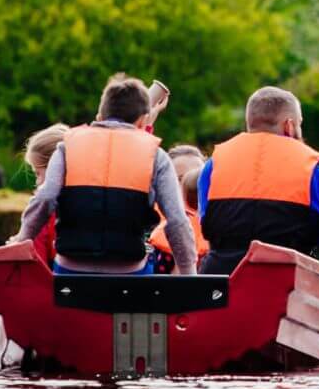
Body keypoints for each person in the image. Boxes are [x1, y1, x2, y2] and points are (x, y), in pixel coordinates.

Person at [14, 75, 197, 275]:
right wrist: (189, 272)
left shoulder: (66, 147)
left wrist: (21, 240)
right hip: (129, 272)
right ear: (143, 122)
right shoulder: (157, 156)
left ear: (100, 117)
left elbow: (45, 197)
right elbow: (177, 220)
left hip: (70, 270)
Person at [197, 86, 319, 277]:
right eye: (299, 124)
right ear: (289, 126)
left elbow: (207, 229)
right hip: (288, 285)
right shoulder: (313, 174)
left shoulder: (212, 168)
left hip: (222, 285)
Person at [149, 146, 210, 273]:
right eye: (180, 179)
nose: (190, 185)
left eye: (197, 177)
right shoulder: (149, 225)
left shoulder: (222, 229)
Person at [20, 123, 70, 263]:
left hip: (58, 277)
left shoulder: (41, 215)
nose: (37, 182)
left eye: (38, 173)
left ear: (55, 167)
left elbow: (35, 260)